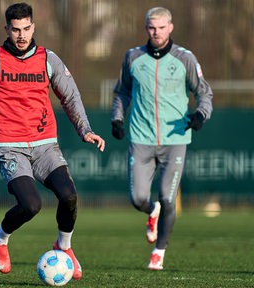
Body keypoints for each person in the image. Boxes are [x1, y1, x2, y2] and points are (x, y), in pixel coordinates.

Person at [0, 2, 105, 280]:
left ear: (33, 27)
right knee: (31, 205)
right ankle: (0, 238)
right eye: (15, 30)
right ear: (6, 29)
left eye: (26, 29)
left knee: (69, 196)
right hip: (10, 148)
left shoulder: (48, 59)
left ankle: (64, 246)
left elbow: (70, 96)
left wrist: (85, 129)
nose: (21, 35)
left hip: (45, 144)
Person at [110, 7, 213, 270]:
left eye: (161, 27)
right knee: (138, 199)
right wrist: (117, 118)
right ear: (146, 28)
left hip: (175, 139)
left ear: (171, 27)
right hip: (141, 139)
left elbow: (204, 93)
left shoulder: (184, 58)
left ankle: (160, 251)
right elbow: (121, 93)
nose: (156, 32)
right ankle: (150, 212)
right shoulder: (133, 57)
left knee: (168, 198)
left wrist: (200, 115)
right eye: (151, 28)